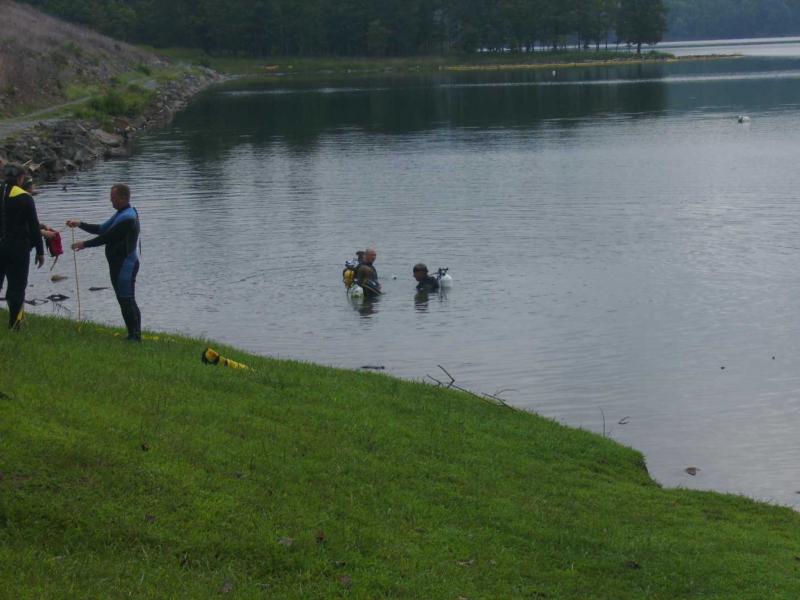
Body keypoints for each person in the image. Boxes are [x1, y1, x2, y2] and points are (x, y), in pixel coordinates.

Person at [67, 184, 141, 341]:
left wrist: (84, 244)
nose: (110, 200)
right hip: (118, 264)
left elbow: (107, 237)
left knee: (126, 299)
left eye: (113, 197)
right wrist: (79, 224)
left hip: (125, 265)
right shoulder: (121, 213)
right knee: (124, 299)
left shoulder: (128, 218)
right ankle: (133, 334)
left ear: (123, 198)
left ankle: (134, 336)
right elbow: (101, 229)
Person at [0, 163, 45, 328]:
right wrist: (40, 251)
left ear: (4, 176)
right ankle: (14, 323)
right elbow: (34, 226)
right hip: (18, 248)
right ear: (20, 179)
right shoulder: (25, 197)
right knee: (17, 286)